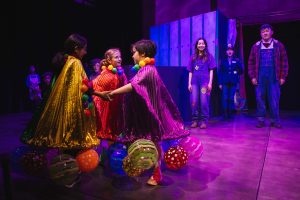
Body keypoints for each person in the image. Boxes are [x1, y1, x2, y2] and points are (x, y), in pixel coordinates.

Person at [95, 39, 189, 186]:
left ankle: (157, 174)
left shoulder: (147, 70)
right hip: (145, 114)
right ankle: (145, 167)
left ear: (143, 53)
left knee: (154, 142)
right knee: (146, 141)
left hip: (150, 115)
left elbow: (133, 85)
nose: (132, 56)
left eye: (134, 53)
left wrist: (112, 93)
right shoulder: (146, 69)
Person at [26, 33, 101, 150]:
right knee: (72, 144)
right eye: (84, 49)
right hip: (71, 113)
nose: (85, 52)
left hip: (61, 110)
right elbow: (80, 88)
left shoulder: (66, 60)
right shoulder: (75, 62)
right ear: (76, 49)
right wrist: (99, 94)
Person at [248, 24, 289, 128]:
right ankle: (261, 120)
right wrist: (252, 76)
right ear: (260, 34)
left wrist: (283, 76)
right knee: (259, 99)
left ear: (271, 32)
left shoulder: (278, 45)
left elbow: (284, 61)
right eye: (262, 32)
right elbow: (251, 62)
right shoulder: (256, 46)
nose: (265, 33)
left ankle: (274, 120)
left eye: (267, 31)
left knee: (274, 99)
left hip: (273, 77)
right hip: (260, 77)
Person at [93, 48, 127, 141]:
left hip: (113, 104)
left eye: (120, 57)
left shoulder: (118, 71)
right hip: (104, 105)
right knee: (104, 133)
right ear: (109, 60)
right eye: (116, 57)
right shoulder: (107, 73)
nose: (119, 59)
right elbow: (96, 87)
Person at [187, 37, 216, 129]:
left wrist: (210, 83)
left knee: (204, 101)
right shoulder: (193, 57)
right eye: (199, 43)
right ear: (197, 45)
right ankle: (195, 120)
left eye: (202, 43)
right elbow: (190, 71)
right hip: (194, 82)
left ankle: (203, 121)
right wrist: (189, 83)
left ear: (205, 45)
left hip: (204, 83)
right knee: (194, 101)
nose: (201, 45)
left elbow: (211, 70)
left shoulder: (209, 56)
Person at [218, 44, 243, 119]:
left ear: (233, 51)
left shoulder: (236, 60)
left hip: (233, 82)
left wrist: (236, 71)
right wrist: (220, 83)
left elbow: (241, 71)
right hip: (225, 82)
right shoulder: (223, 61)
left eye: (231, 50)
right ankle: (225, 113)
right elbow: (220, 72)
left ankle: (230, 114)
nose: (229, 51)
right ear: (226, 51)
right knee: (225, 97)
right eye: (228, 50)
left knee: (231, 98)